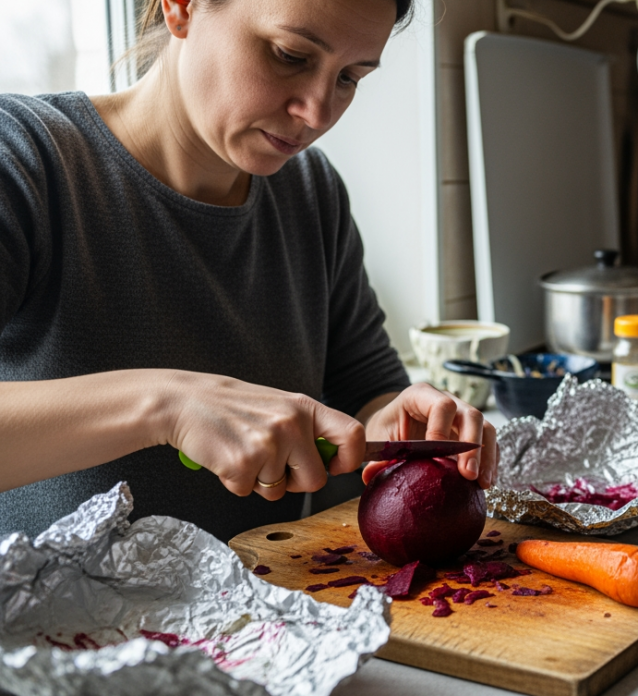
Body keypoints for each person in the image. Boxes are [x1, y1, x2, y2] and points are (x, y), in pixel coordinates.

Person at [0, 0, 497, 541]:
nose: (319, 112)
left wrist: (400, 422)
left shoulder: (311, 191)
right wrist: (167, 406)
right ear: (181, 8)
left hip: (260, 614)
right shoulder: (24, 159)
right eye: (290, 55)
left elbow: (367, 393)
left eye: (350, 78)